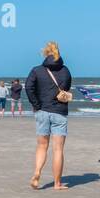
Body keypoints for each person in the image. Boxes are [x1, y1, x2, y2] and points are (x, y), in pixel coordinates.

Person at [24, 41, 72, 190]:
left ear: (45, 53)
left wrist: (36, 105)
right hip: (60, 112)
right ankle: (57, 183)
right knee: (58, 149)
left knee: (42, 146)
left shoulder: (37, 70)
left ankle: (37, 172)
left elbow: (28, 87)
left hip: (42, 111)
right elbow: (66, 88)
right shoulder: (65, 70)